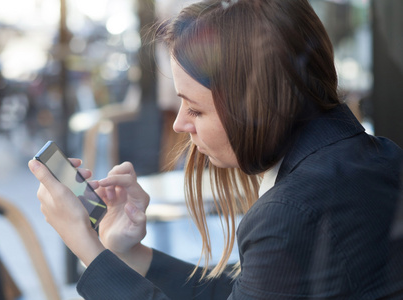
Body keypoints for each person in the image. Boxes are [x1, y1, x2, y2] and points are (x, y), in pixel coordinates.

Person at [29, 0, 403, 298]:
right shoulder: (378, 157)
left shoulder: (292, 211)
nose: (178, 124)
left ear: (254, 105)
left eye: (195, 108)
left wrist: (84, 244)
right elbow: (245, 292)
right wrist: (127, 252)